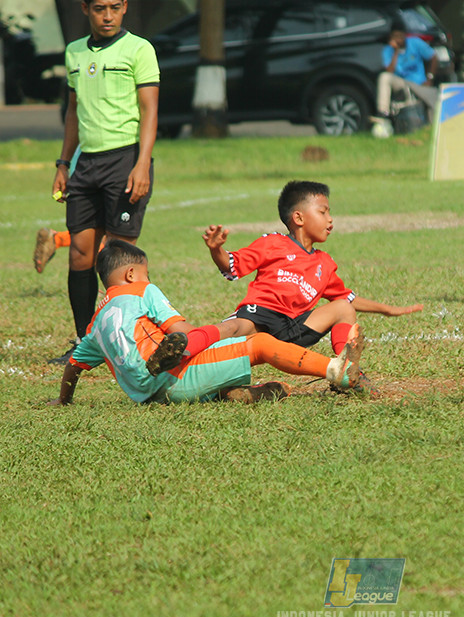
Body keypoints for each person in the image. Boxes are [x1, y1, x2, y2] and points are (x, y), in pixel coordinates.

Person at [49, 240, 364, 406]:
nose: (149, 279)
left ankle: (232, 393)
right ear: (132, 274)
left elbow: (73, 367)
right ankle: (338, 372)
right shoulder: (143, 290)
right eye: (147, 273)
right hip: (172, 378)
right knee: (260, 345)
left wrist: (63, 401)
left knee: (223, 358)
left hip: (149, 397)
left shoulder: (95, 323)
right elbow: (182, 336)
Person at [48, 0, 159, 364]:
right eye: (99, 8)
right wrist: (64, 164)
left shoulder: (139, 49)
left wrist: (142, 164)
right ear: (85, 9)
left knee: (120, 259)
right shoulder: (74, 53)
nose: (107, 15)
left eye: (114, 7)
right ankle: (85, 342)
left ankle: (133, 339)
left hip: (125, 160)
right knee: (80, 254)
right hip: (87, 164)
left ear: (125, 7)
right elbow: (73, 113)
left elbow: (149, 111)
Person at [203, 181, 423, 362]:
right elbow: (231, 265)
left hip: (293, 329)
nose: (330, 219)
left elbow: (347, 298)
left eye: (329, 212)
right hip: (259, 321)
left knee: (343, 308)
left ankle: (345, 369)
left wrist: (387, 310)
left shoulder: (323, 263)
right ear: (298, 218)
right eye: (323, 212)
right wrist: (216, 249)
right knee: (225, 336)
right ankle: (186, 347)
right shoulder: (273, 243)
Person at [372, 21, 439, 134]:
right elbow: (389, 71)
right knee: (384, 77)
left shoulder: (415, 43)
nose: (399, 39)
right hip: (401, 82)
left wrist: (430, 78)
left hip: (418, 83)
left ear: (405, 35)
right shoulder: (388, 50)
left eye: (400, 36)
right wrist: (396, 52)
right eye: (395, 36)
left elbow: (433, 57)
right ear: (391, 37)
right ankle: (383, 113)